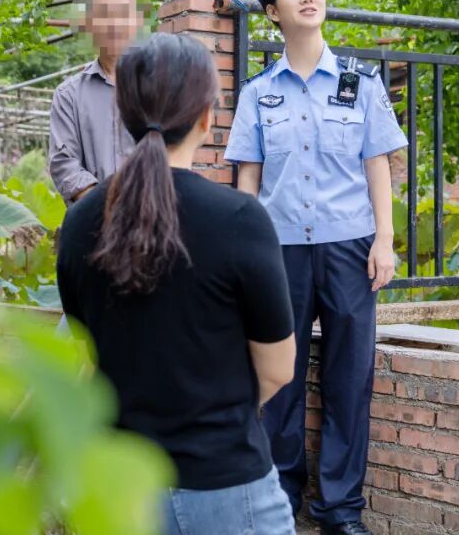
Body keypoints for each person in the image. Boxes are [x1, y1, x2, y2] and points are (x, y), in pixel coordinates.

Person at [56, 33, 298, 535]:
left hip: (122, 496)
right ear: (207, 118)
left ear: (123, 115)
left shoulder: (79, 223)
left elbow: (84, 359)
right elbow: (277, 369)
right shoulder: (240, 219)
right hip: (229, 489)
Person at [224, 0, 408, 535]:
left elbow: (377, 164)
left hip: (351, 246)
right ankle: (281, 500)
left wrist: (384, 241)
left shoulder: (360, 82)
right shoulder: (258, 93)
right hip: (279, 252)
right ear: (272, 12)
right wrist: (247, 253)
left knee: (349, 379)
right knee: (278, 377)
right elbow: (248, 179)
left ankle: (340, 510)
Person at [47, 0, 143, 203]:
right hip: (93, 218)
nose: (114, 24)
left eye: (123, 15)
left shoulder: (158, 86)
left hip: (152, 217)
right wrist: (105, 208)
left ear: (137, 21)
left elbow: (172, 154)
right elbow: (64, 164)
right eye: (104, 15)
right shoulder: (68, 95)